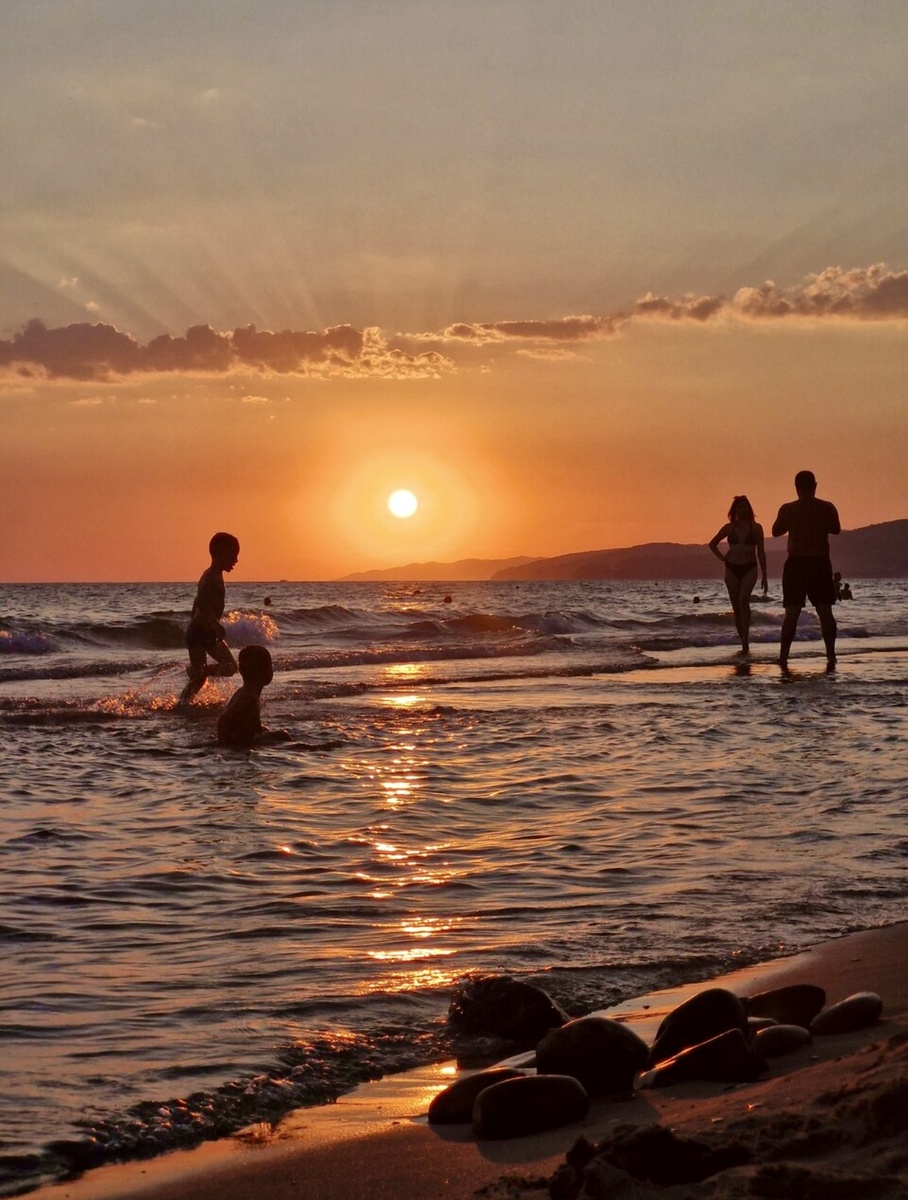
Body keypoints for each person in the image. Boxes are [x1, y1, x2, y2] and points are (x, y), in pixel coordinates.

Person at [772, 471, 841, 670]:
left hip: (797, 563)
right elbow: (836, 529)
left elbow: (776, 531)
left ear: (796, 487)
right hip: (819, 561)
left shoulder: (788, 509)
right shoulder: (827, 507)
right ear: (815, 486)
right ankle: (831, 655)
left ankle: (783, 657)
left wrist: (796, 522)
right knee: (825, 610)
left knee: (792, 612)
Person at [179, 532, 240, 704]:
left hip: (200, 631)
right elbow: (201, 603)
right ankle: (185, 699)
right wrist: (215, 625)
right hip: (200, 632)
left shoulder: (212, 575)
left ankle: (184, 701)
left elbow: (196, 605)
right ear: (220, 553)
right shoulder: (211, 578)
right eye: (233, 555)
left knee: (203, 677)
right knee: (228, 667)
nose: (236, 560)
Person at [708, 495, 768, 654]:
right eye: (739, 507)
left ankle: (746, 639)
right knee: (736, 606)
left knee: (743, 601)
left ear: (749, 509)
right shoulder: (728, 528)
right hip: (731, 568)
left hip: (749, 568)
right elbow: (712, 544)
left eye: (744, 506)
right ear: (734, 510)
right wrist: (722, 558)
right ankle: (743, 641)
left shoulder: (756, 528)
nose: (742, 509)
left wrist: (765, 575)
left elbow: (761, 552)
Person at [217, 645, 287, 747]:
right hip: (240, 742)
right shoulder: (249, 698)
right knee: (283, 735)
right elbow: (223, 721)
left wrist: (258, 729)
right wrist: (224, 744)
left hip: (244, 738)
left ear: (241, 671)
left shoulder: (245, 692)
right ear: (266, 672)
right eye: (270, 667)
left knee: (266, 730)